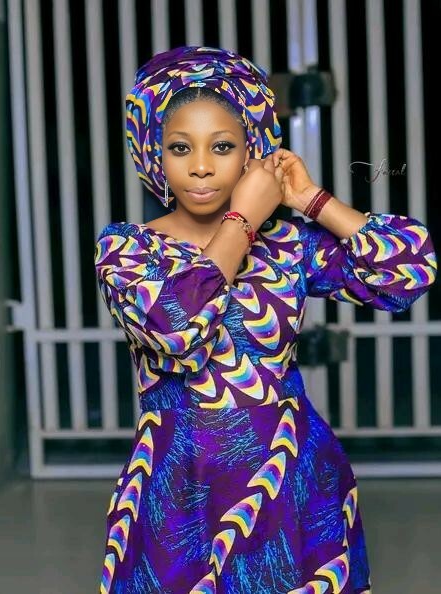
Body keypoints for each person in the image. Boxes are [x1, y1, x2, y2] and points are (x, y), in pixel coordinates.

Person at [94, 46, 437, 594]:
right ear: (154, 153)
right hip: (179, 491)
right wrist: (244, 218)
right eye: (180, 147)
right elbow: (176, 330)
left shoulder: (287, 244)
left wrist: (312, 199)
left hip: (291, 478)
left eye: (222, 146)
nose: (201, 166)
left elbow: (408, 270)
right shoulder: (128, 249)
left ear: (252, 152)